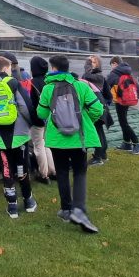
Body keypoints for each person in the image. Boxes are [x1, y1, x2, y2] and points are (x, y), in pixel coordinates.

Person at [37, 54, 103, 234]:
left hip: (57, 139)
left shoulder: (47, 89)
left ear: (54, 69)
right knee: (80, 172)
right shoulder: (81, 86)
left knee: (63, 172)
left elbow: (41, 114)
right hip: (79, 138)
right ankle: (79, 209)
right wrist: (85, 121)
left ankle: (66, 209)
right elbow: (98, 108)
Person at [0, 56, 37, 218]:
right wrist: (30, 124)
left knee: (6, 169)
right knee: (22, 167)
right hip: (19, 134)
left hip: (0, 136)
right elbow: (25, 107)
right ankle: (28, 200)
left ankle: (12, 205)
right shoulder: (14, 83)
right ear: (7, 68)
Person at [106, 56, 139, 154]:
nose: (111, 67)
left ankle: (137, 144)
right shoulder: (127, 72)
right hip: (127, 100)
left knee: (123, 123)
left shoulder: (114, 74)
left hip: (120, 101)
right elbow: (138, 86)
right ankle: (127, 143)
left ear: (115, 64)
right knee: (123, 121)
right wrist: (135, 97)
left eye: (111, 65)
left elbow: (105, 87)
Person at [27, 56, 55, 184]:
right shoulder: (49, 81)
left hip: (37, 120)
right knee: (46, 145)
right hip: (49, 118)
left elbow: (30, 103)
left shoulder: (32, 83)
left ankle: (44, 175)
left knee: (38, 146)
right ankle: (53, 171)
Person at [82, 55, 111, 166]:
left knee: (97, 132)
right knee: (100, 131)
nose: (91, 64)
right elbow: (108, 95)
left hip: (96, 108)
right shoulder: (100, 76)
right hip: (100, 107)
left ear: (98, 64)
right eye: (90, 62)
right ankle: (102, 154)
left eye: (93, 62)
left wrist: (87, 63)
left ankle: (98, 157)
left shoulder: (95, 76)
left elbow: (85, 76)